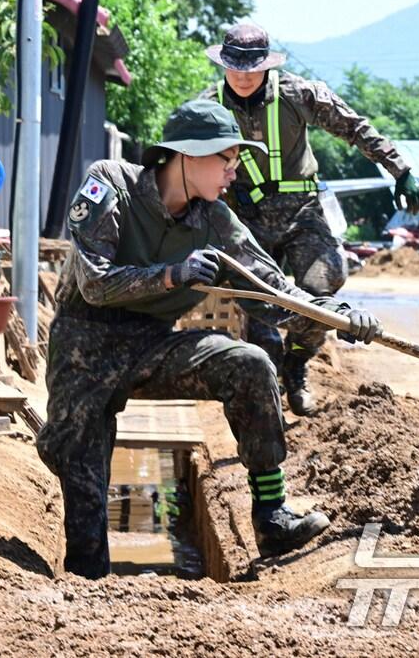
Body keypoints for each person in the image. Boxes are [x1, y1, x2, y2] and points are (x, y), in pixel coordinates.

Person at [36, 99, 383, 579]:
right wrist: (171, 274)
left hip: (152, 344)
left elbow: (272, 289)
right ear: (189, 156)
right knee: (83, 487)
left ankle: (271, 515)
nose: (235, 171)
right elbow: (95, 283)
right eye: (228, 158)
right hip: (83, 349)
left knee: (249, 364)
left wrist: (339, 316)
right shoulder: (111, 184)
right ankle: (86, 586)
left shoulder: (216, 221)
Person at [199, 22, 419, 416]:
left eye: (252, 68)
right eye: (236, 68)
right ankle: (265, 397)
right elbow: (178, 163)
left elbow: (353, 127)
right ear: (224, 64)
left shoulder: (298, 93)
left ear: (266, 65)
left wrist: (400, 169)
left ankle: (297, 363)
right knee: (263, 308)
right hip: (243, 220)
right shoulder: (207, 106)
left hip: (302, 211)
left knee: (323, 288)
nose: (244, 77)